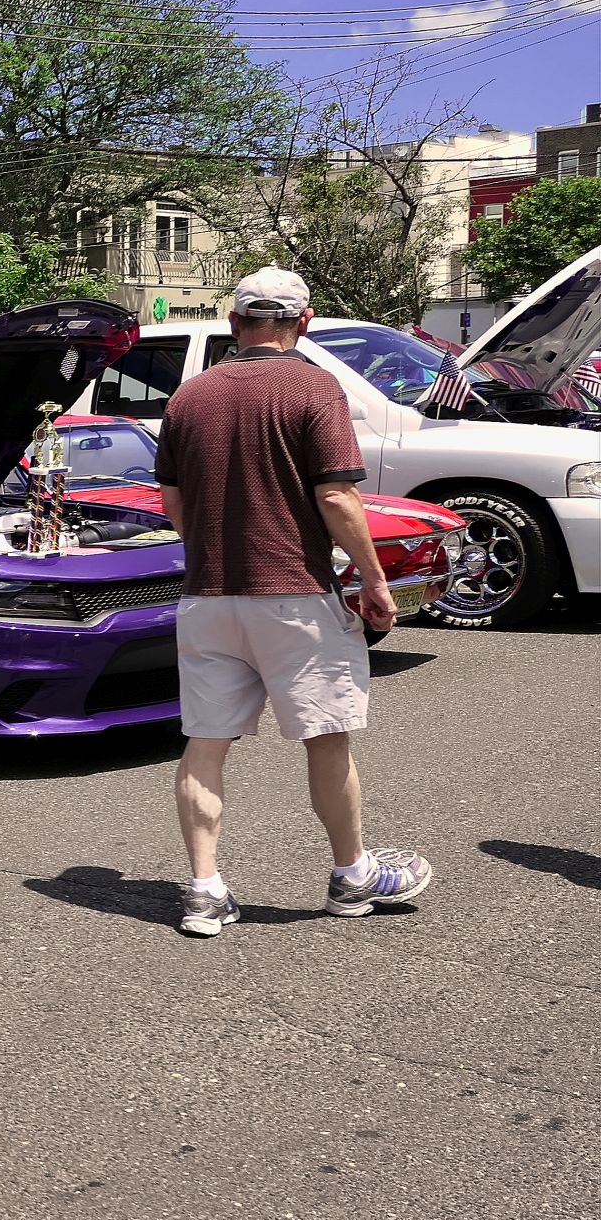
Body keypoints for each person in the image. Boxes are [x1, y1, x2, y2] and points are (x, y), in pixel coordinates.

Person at [155, 267, 429, 937]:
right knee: (326, 739)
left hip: (208, 597)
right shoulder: (315, 386)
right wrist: (375, 579)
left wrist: (215, 548)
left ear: (234, 323)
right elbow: (335, 495)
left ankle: (204, 891)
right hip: (296, 595)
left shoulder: (189, 396)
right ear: (303, 322)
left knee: (204, 745)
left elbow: (174, 503)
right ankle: (352, 876)